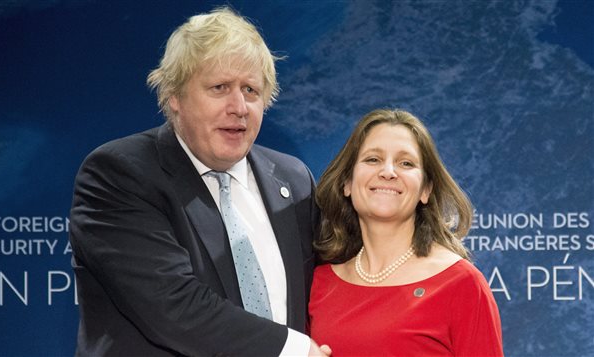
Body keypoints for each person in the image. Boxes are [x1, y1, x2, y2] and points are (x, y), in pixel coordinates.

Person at [69, 7, 330, 356]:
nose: (239, 106)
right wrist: (295, 351)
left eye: (251, 90)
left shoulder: (293, 179)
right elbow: (171, 305)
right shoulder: (119, 173)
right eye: (220, 87)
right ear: (175, 96)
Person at [309, 109, 503, 356]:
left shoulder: (461, 284)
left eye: (406, 163)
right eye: (372, 159)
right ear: (347, 183)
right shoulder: (320, 282)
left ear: (425, 190)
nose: (388, 172)